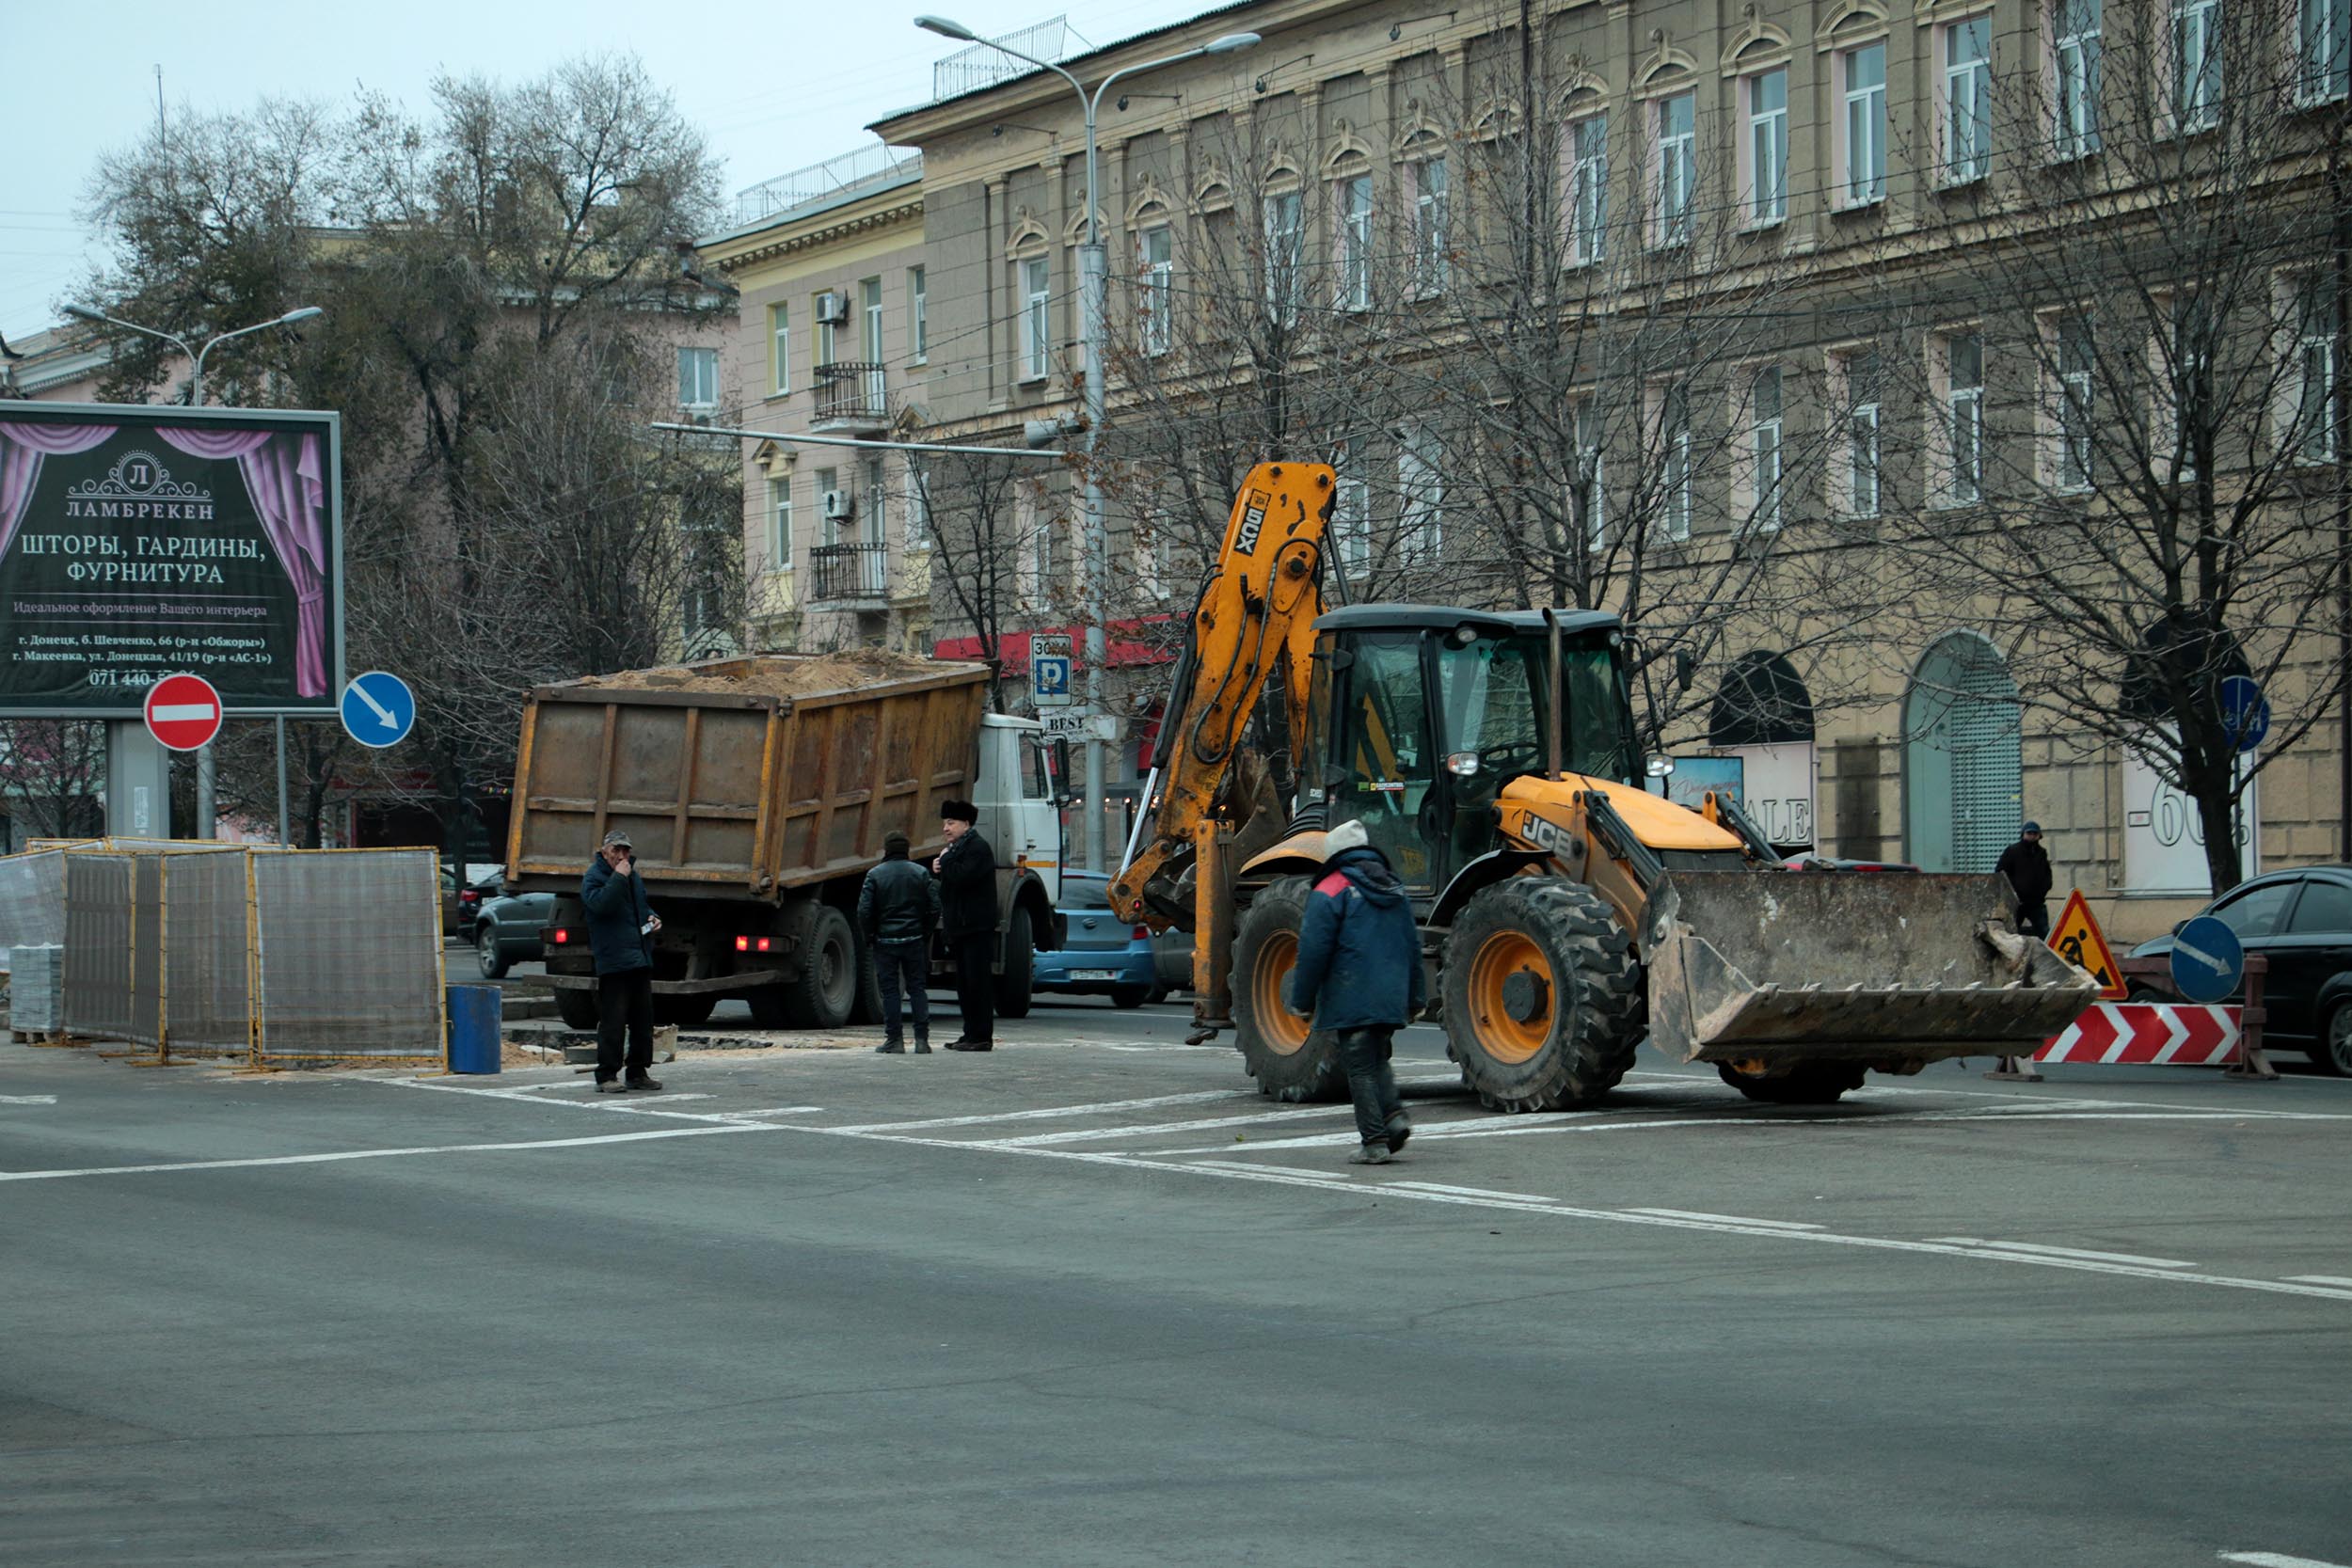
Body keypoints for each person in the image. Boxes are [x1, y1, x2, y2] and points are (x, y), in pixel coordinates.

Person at [1283, 817, 1428, 1165]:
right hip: (1390, 992)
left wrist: (1301, 1000)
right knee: (1377, 1056)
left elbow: (1313, 950)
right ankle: (1393, 1117)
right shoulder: (1393, 886)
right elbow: (1412, 945)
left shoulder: (1331, 888)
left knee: (1359, 1067)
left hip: (1352, 992)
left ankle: (1374, 1141)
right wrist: (1416, 997)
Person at [581, 828, 663, 1093]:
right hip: (614, 961)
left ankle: (638, 1072)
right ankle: (606, 1075)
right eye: (616, 850)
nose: (621, 855)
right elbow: (602, 906)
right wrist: (618, 877)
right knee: (613, 1021)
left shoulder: (633, 877)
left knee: (643, 1020)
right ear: (604, 852)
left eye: (625, 850)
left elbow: (639, 906)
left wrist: (652, 917)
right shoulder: (594, 878)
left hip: (639, 957)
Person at [859, 831, 941, 1054]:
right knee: (917, 988)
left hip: (885, 941)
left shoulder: (875, 874)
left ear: (887, 850)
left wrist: (870, 935)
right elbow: (934, 907)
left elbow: (864, 910)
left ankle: (894, 1040)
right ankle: (922, 1040)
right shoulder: (920, 873)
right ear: (906, 850)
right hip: (914, 939)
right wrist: (924, 932)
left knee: (891, 991)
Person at [933, 799, 1000, 1052]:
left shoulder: (977, 848)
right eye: (944, 823)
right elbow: (950, 880)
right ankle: (969, 1034)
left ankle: (981, 1036)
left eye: (951, 823)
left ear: (966, 824)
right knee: (964, 984)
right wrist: (937, 866)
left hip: (975, 927)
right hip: (961, 927)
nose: (946, 828)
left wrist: (945, 860)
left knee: (977, 983)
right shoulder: (958, 848)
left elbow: (963, 876)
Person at [1998, 821, 2054, 938]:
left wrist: (2044, 890)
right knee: (2010, 934)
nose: (2032, 836)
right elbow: (2001, 873)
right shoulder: (2012, 851)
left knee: (2045, 934)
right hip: (2016, 902)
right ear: (2023, 834)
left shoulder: (2041, 853)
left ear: (2039, 835)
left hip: (2036, 902)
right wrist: (2012, 892)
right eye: (2029, 833)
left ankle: (2046, 956)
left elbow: (2046, 874)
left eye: (2035, 833)